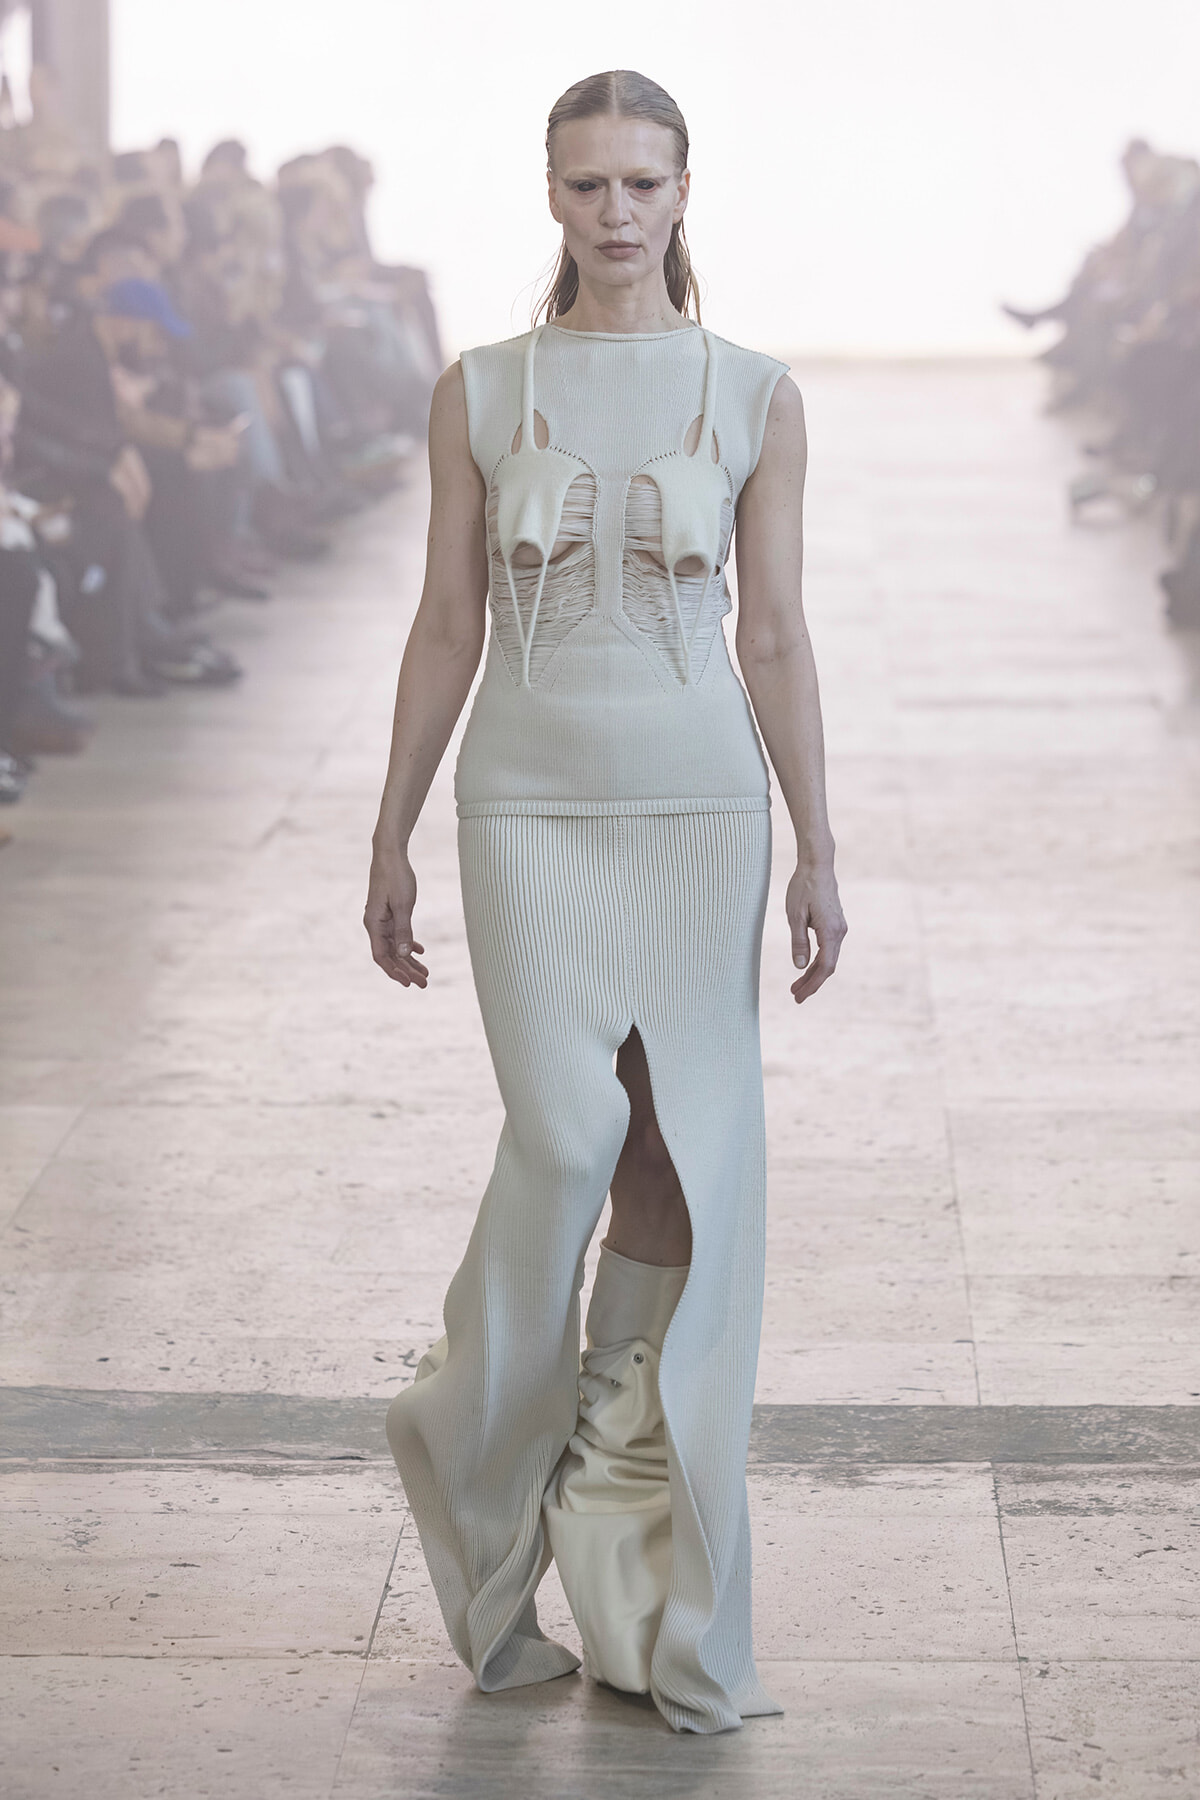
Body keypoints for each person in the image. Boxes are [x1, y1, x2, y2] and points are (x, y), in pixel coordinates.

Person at [364, 69, 846, 1736]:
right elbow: (444, 623)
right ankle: (477, 1425)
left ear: (687, 190)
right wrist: (391, 827)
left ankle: (627, 1517)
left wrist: (820, 843)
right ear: (550, 197)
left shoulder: (755, 392)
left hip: (701, 802)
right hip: (527, 802)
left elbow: (773, 635)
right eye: (588, 186)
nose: (618, 212)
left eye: (644, 182)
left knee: (673, 1156)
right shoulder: (482, 391)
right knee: (566, 1135)